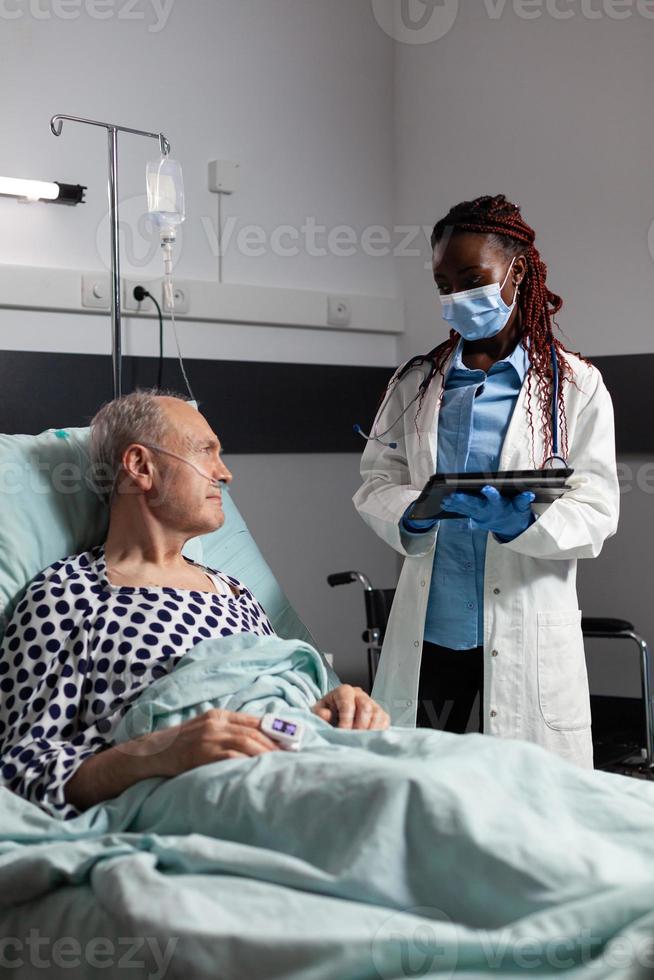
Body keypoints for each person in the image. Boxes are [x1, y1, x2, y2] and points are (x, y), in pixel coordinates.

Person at [0, 391, 388, 820]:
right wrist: (159, 752)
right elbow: (21, 772)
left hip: (312, 760)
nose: (225, 473)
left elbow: (278, 695)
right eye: (206, 452)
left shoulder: (235, 592)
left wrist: (337, 704)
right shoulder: (70, 596)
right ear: (140, 466)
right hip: (220, 796)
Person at [353, 194, 619, 768]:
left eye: (472, 279)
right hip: (433, 627)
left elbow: (597, 508)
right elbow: (376, 480)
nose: (455, 297)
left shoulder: (575, 386)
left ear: (517, 271)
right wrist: (413, 513)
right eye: (444, 283)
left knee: (528, 801)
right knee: (420, 788)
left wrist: (524, 520)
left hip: (525, 628)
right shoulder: (418, 383)